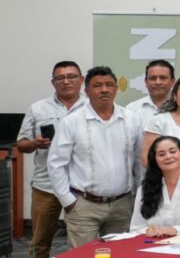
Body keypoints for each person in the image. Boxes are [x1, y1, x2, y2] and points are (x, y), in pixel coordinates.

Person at [48, 66, 143, 248]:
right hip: (83, 205)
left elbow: (139, 161)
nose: (104, 90)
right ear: (87, 91)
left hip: (122, 205)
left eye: (109, 85)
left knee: (119, 257)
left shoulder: (132, 120)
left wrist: (139, 196)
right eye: (97, 86)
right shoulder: (71, 122)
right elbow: (56, 164)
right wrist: (68, 201)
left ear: (116, 89)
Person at [17, 60, 87, 258]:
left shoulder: (91, 107)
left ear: (81, 80)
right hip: (46, 186)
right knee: (39, 242)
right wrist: (35, 143)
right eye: (60, 78)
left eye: (71, 77)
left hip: (81, 186)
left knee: (82, 243)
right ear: (53, 82)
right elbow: (21, 144)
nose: (66, 81)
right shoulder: (38, 108)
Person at [126, 59, 175, 129]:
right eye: (153, 78)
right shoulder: (131, 109)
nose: (158, 82)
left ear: (172, 81)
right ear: (146, 82)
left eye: (163, 78)